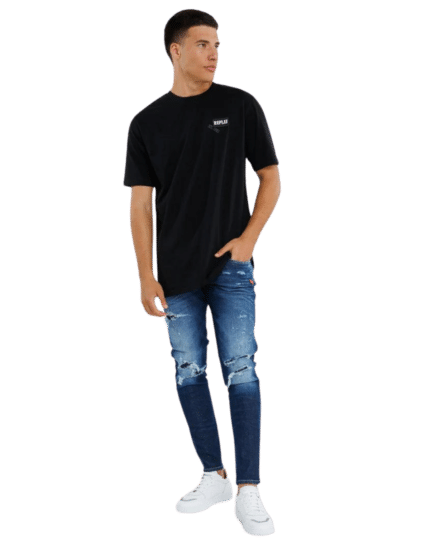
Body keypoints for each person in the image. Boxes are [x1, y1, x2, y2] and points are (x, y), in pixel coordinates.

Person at [122, 8, 281, 537]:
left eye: (217, 45)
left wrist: (248, 241)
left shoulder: (240, 105)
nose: (214, 54)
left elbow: (271, 177)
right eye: (202, 44)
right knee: (188, 370)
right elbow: (140, 207)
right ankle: (213, 476)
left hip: (231, 268)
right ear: (175, 50)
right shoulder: (146, 123)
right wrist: (146, 275)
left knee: (241, 368)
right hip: (174, 274)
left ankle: (249, 489)